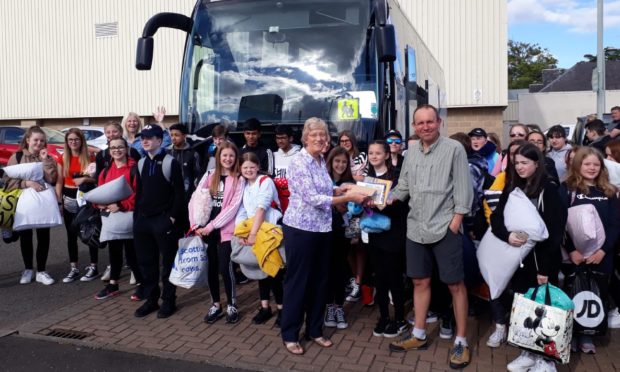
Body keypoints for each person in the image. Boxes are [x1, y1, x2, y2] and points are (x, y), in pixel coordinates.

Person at [388, 105, 473, 370]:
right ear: (414, 126)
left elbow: (463, 189)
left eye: (430, 122)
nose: (425, 127)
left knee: (455, 285)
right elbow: (403, 186)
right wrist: (382, 199)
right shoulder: (411, 151)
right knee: (420, 282)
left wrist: (455, 223)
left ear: (438, 122)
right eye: (420, 123)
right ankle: (419, 335)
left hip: (445, 226)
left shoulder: (454, 149)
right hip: (416, 228)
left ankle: (460, 340)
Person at [280, 117, 368, 355]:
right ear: (305, 138)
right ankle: (290, 333)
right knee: (299, 281)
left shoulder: (319, 161)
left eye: (323, 135)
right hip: (300, 229)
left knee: (320, 281)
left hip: (322, 229)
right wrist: (348, 198)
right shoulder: (299, 162)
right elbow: (312, 199)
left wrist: (340, 189)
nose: (320, 139)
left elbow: (323, 190)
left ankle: (314, 330)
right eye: (315, 135)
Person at [489, 143, 567, 372]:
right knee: (523, 305)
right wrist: (507, 235)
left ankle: (545, 359)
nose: (520, 167)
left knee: (545, 309)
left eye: (525, 163)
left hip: (543, 262)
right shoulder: (513, 187)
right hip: (518, 260)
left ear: (536, 163)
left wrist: (545, 269)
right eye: (517, 163)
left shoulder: (549, 189)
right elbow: (496, 219)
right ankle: (528, 352)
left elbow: (555, 232)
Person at [560, 147, 619, 354]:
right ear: (578, 165)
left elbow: (615, 225)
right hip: (573, 255)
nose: (592, 168)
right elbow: (559, 223)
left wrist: (603, 251)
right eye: (587, 164)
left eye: (596, 164)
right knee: (572, 292)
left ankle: (587, 333)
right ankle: (571, 333)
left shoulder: (608, 191)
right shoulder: (567, 189)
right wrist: (571, 250)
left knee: (595, 294)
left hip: (601, 255)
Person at [133, 124, 185, 319]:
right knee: (147, 263)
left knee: (167, 264)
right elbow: (139, 194)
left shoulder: (171, 163)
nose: (145, 141)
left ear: (159, 140)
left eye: (150, 137)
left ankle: (169, 300)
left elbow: (180, 195)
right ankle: (151, 299)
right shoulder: (140, 163)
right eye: (143, 137)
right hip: (143, 222)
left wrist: (171, 218)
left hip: (163, 221)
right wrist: (136, 219)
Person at [196, 142, 245, 324]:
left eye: (231, 156)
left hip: (226, 230)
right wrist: (196, 224)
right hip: (206, 228)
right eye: (224, 155)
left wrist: (212, 226)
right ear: (218, 157)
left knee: (226, 267)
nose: (228, 159)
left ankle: (232, 304)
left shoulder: (239, 179)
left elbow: (232, 208)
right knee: (211, 267)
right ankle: (216, 304)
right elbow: (197, 198)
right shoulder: (210, 175)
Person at [3, 126, 58, 285]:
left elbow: (52, 179)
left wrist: (45, 161)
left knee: (43, 236)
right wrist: (27, 183)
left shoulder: (47, 157)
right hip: (24, 203)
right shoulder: (17, 156)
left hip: (44, 203)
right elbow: (7, 182)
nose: (39, 143)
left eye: (42, 140)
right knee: (25, 237)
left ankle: (41, 271)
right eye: (35, 140)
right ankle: (28, 269)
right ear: (28, 140)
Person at [365, 140, 408, 339]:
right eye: (371, 153)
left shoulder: (397, 177)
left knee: (394, 279)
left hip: (393, 235)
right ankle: (383, 317)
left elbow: (401, 207)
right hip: (374, 235)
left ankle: (399, 319)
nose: (374, 156)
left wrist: (383, 204)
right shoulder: (367, 179)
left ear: (386, 155)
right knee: (379, 278)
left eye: (378, 153)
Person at [235, 152, 283, 326]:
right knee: (259, 270)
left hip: (270, 231)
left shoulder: (265, 182)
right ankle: (265, 308)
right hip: (254, 231)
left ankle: (281, 309)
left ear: (258, 167)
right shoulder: (245, 186)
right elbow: (241, 211)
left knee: (274, 272)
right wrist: (241, 232)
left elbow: (262, 209)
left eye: (252, 167)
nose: (248, 170)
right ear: (240, 169)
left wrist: (253, 234)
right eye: (245, 167)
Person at [93, 138, 143, 300]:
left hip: (129, 218)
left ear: (126, 149)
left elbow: (139, 195)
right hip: (111, 219)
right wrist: (98, 204)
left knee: (133, 253)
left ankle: (142, 285)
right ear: (109, 151)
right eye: (113, 148)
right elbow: (99, 193)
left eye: (120, 147)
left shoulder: (135, 169)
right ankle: (113, 284)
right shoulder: (105, 172)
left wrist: (121, 205)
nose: (116, 150)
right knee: (114, 253)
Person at [58, 128, 100, 283]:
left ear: (81, 140)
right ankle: (73, 267)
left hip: (85, 197)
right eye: (70, 140)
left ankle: (93, 266)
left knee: (90, 231)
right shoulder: (63, 158)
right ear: (67, 142)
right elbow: (59, 182)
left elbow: (97, 179)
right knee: (71, 234)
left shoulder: (90, 157)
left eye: (76, 139)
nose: (73, 142)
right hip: (68, 197)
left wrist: (84, 180)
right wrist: (59, 201)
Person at [325, 147, 355, 331]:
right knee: (327, 270)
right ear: (330, 161)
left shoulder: (351, 183)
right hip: (325, 231)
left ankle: (339, 307)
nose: (340, 165)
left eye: (344, 162)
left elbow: (355, 208)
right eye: (337, 161)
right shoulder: (323, 179)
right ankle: (328, 307)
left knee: (341, 269)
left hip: (343, 232)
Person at [338, 130, 367, 302]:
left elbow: (361, 178)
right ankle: (355, 277)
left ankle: (359, 280)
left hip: (358, 207)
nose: (345, 143)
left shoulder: (360, 156)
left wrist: (349, 178)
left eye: (347, 140)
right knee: (347, 246)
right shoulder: (338, 156)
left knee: (359, 246)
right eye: (342, 140)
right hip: (343, 208)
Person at [166, 123, 201, 232]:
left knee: (187, 230)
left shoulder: (193, 153)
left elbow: (198, 176)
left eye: (177, 135)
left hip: (188, 198)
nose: (173, 138)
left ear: (184, 136)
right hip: (170, 199)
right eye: (171, 135)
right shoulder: (167, 153)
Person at [272, 125, 300, 213]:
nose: (280, 141)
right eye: (278, 138)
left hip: (294, 202)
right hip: (275, 202)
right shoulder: (272, 156)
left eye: (283, 138)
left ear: (290, 138)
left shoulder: (300, 156)